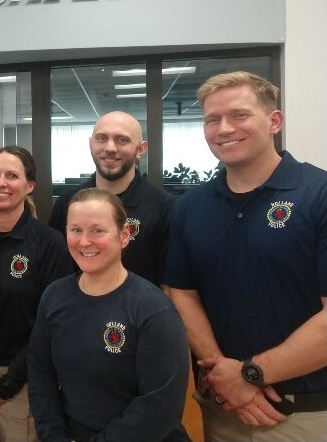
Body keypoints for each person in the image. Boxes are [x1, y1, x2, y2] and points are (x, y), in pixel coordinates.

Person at [164, 71, 327, 440]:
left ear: (274, 121)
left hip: (305, 412)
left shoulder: (319, 195)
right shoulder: (189, 208)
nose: (223, 128)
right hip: (222, 410)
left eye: (239, 115)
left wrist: (250, 374)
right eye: (211, 119)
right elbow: (182, 294)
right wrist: (225, 375)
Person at [29, 188, 190, 442]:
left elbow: (160, 407)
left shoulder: (153, 310)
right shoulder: (54, 297)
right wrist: (53, 436)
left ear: (124, 235)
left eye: (97, 230)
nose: (84, 241)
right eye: (75, 230)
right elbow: (40, 372)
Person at [0, 146, 72, 441]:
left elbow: (50, 326)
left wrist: (6, 385)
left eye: (12, 175)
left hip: (23, 381)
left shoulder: (49, 243)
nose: (1, 183)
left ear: (29, 185)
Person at [49, 111, 174, 286]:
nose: (110, 148)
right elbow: (56, 271)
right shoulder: (67, 202)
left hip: (141, 311)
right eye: (101, 138)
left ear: (141, 149)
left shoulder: (164, 206)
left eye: (122, 139)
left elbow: (169, 284)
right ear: (91, 144)